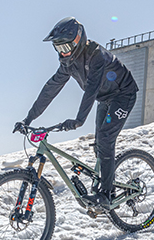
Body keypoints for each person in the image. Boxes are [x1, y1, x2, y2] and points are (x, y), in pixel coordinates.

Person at [16, 17, 139, 208]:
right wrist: (28, 118)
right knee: (100, 145)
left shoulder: (96, 55)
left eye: (65, 48)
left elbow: (91, 89)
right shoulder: (68, 64)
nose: (62, 53)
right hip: (105, 98)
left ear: (78, 41)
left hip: (123, 94)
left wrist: (79, 120)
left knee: (106, 138)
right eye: (58, 49)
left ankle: (105, 195)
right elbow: (51, 89)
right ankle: (107, 187)